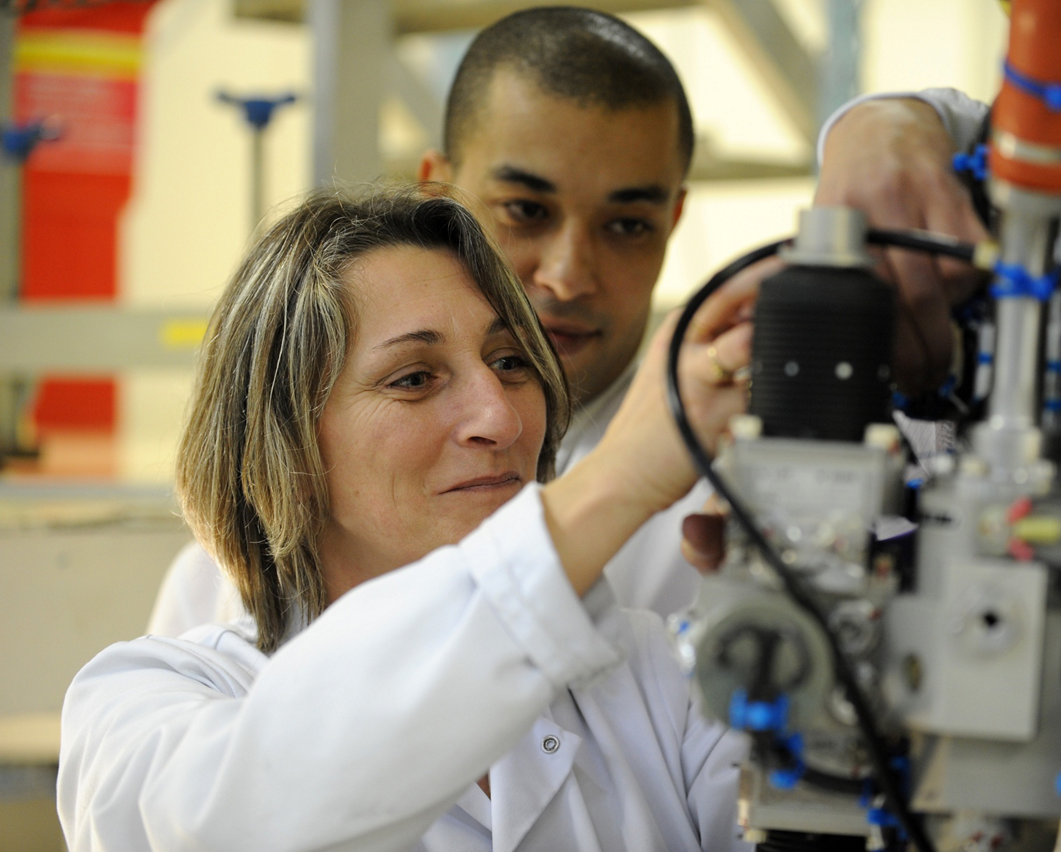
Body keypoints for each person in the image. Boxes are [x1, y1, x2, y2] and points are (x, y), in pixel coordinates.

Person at [58, 186, 755, 851]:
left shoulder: (660, 678)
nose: (501, 416)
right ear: (286, 443)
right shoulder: (141, 708)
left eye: (510, 361)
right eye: (414, 378)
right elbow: (257, 814)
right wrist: (619, 478)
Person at [149, 6, 771, 631]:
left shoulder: (734, 509)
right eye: (525, 210)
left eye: (628, 225)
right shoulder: (221, 584)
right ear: (437, 198)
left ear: (674, 221)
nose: (568, 275)